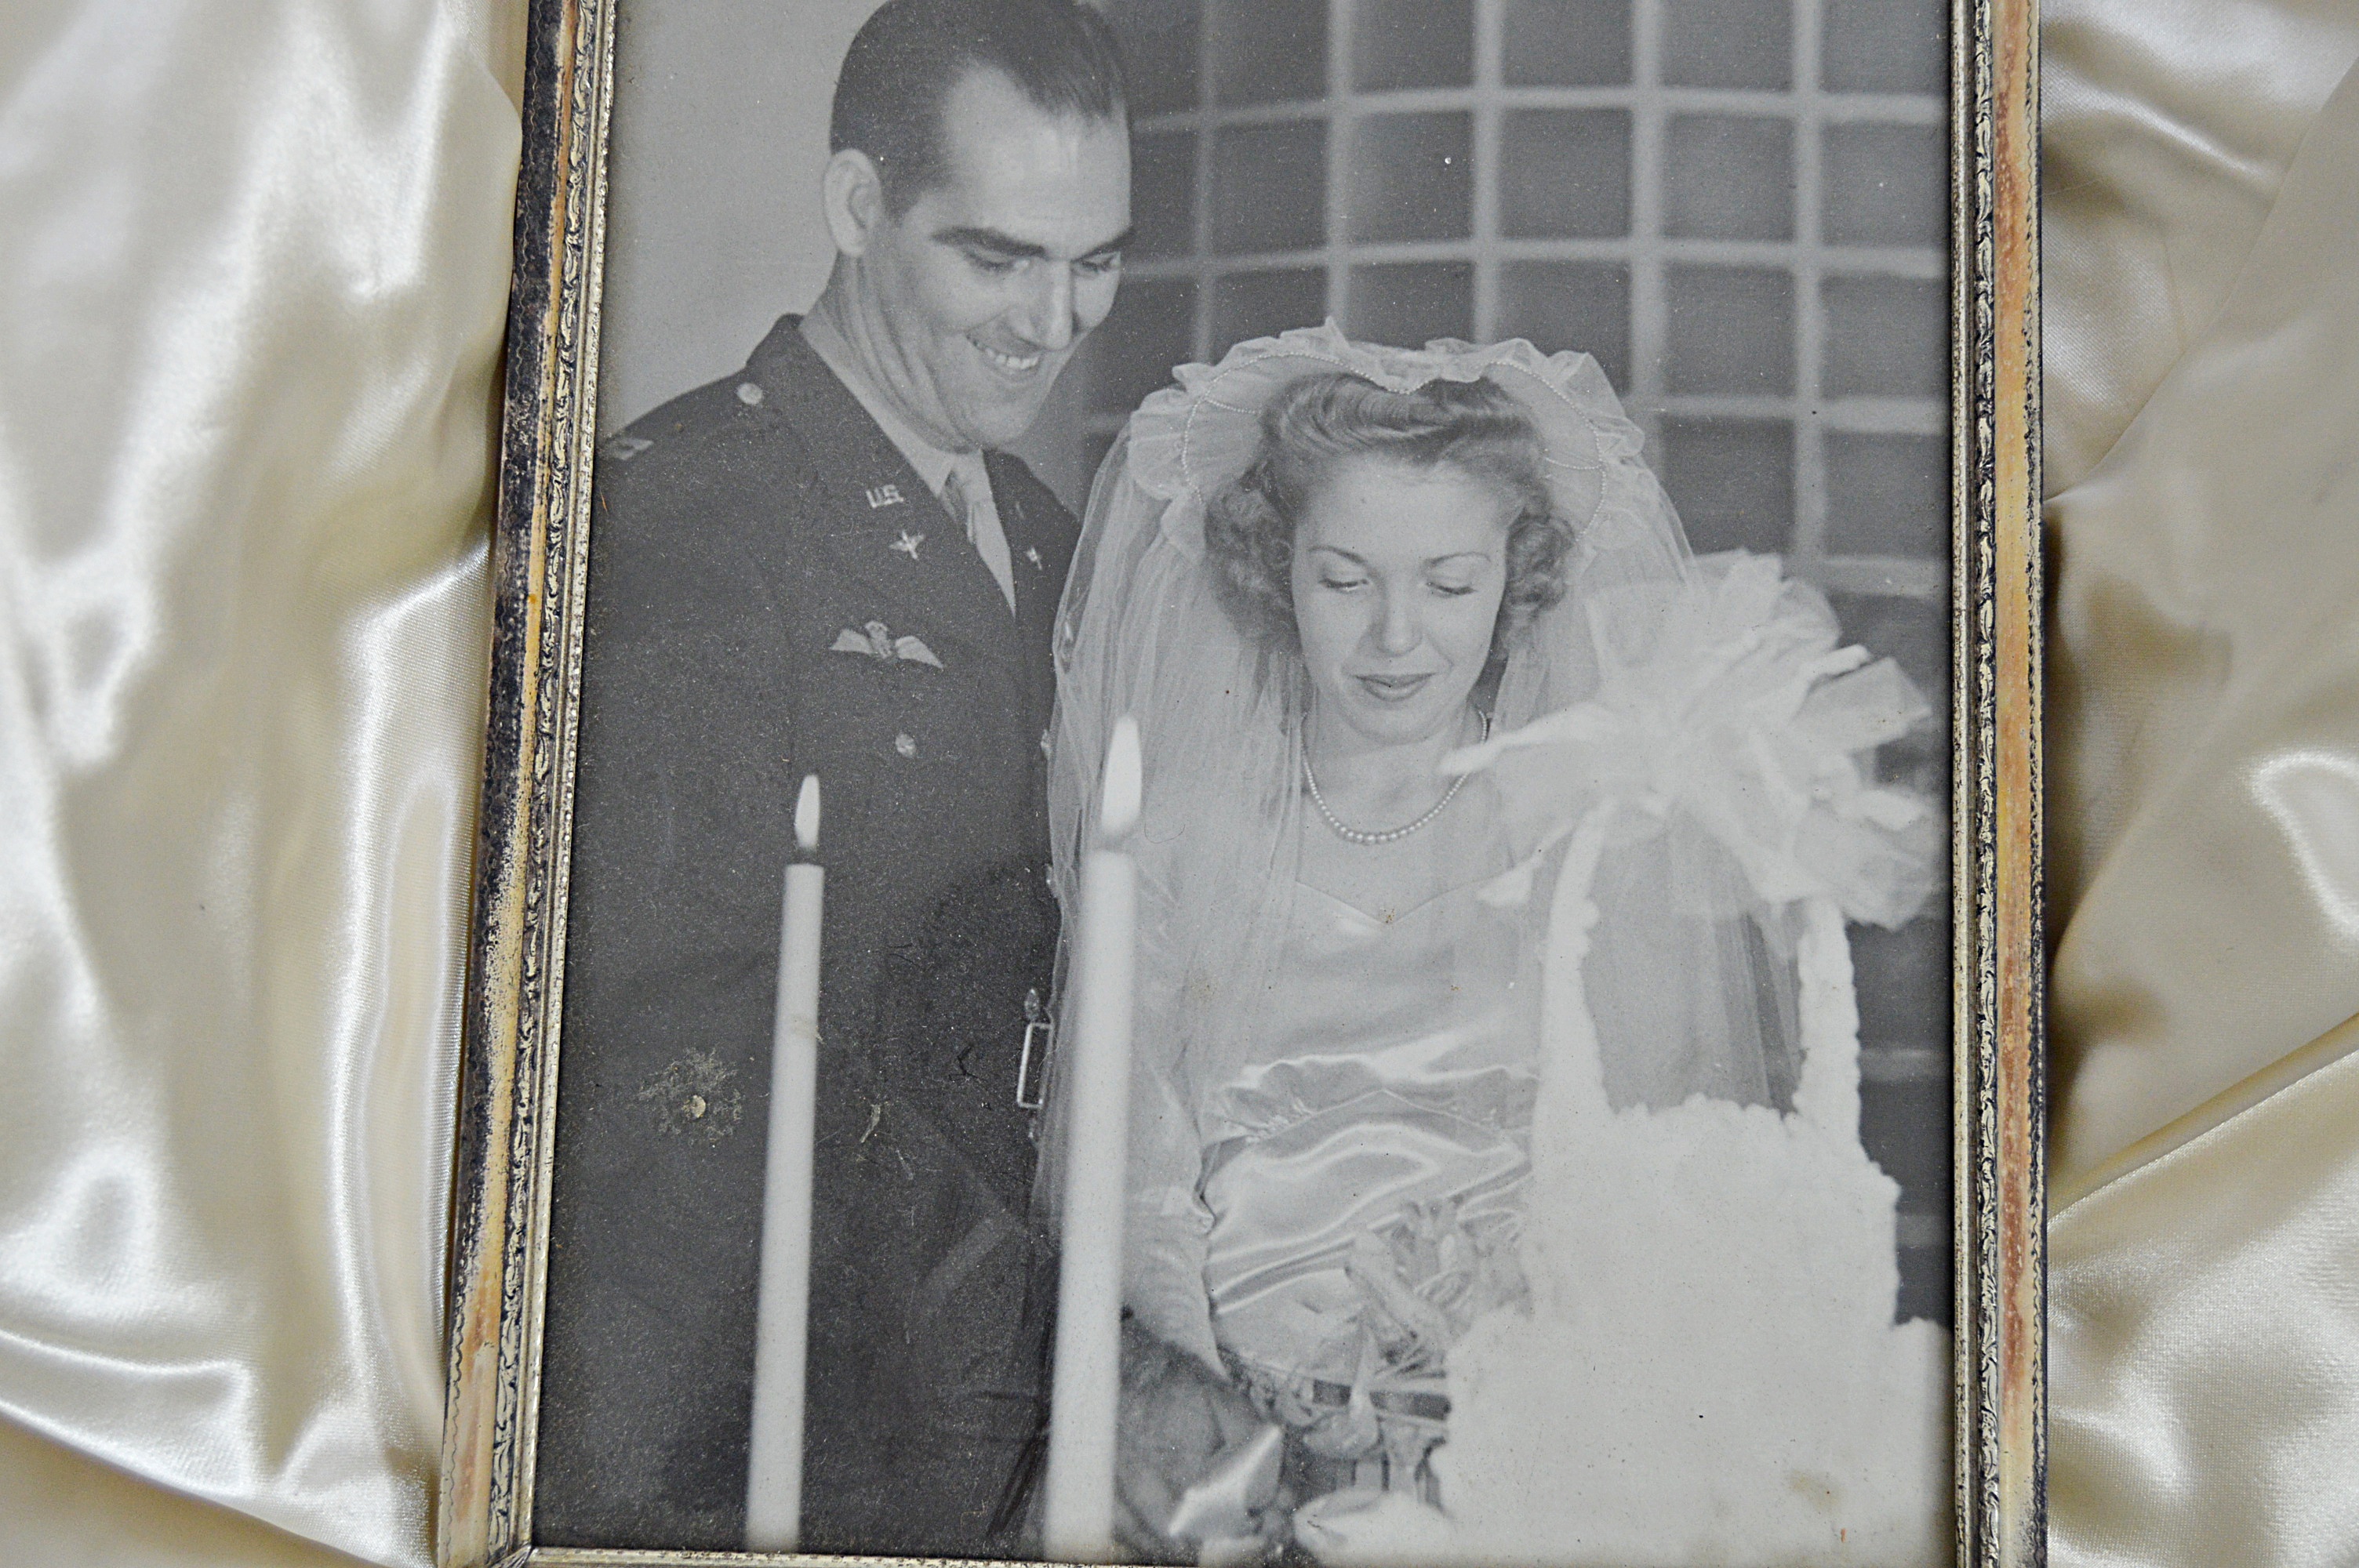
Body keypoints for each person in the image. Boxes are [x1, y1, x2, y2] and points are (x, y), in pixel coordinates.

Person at [1045, 325, 1939, 1558]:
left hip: (1531, 1453)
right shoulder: (1182, 840)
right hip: (1226, 1459)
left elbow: (1656, 1182)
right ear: (1272, 566)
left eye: (1449, 583)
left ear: (1514, 581)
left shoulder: (1588, 836)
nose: (1396, 638)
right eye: (1345, 579)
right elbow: (1134, 1183)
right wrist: (1208, 1422)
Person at [535, 0, 1129, 1554]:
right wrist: (1024, 1317)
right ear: (860, 209)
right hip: (771, 1412)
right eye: (995, 258)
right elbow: (690, 1044)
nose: (1052, 324)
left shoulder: (1071, 556)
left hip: (1015, 1425)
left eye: (1094, 261)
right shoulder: (689, 522)